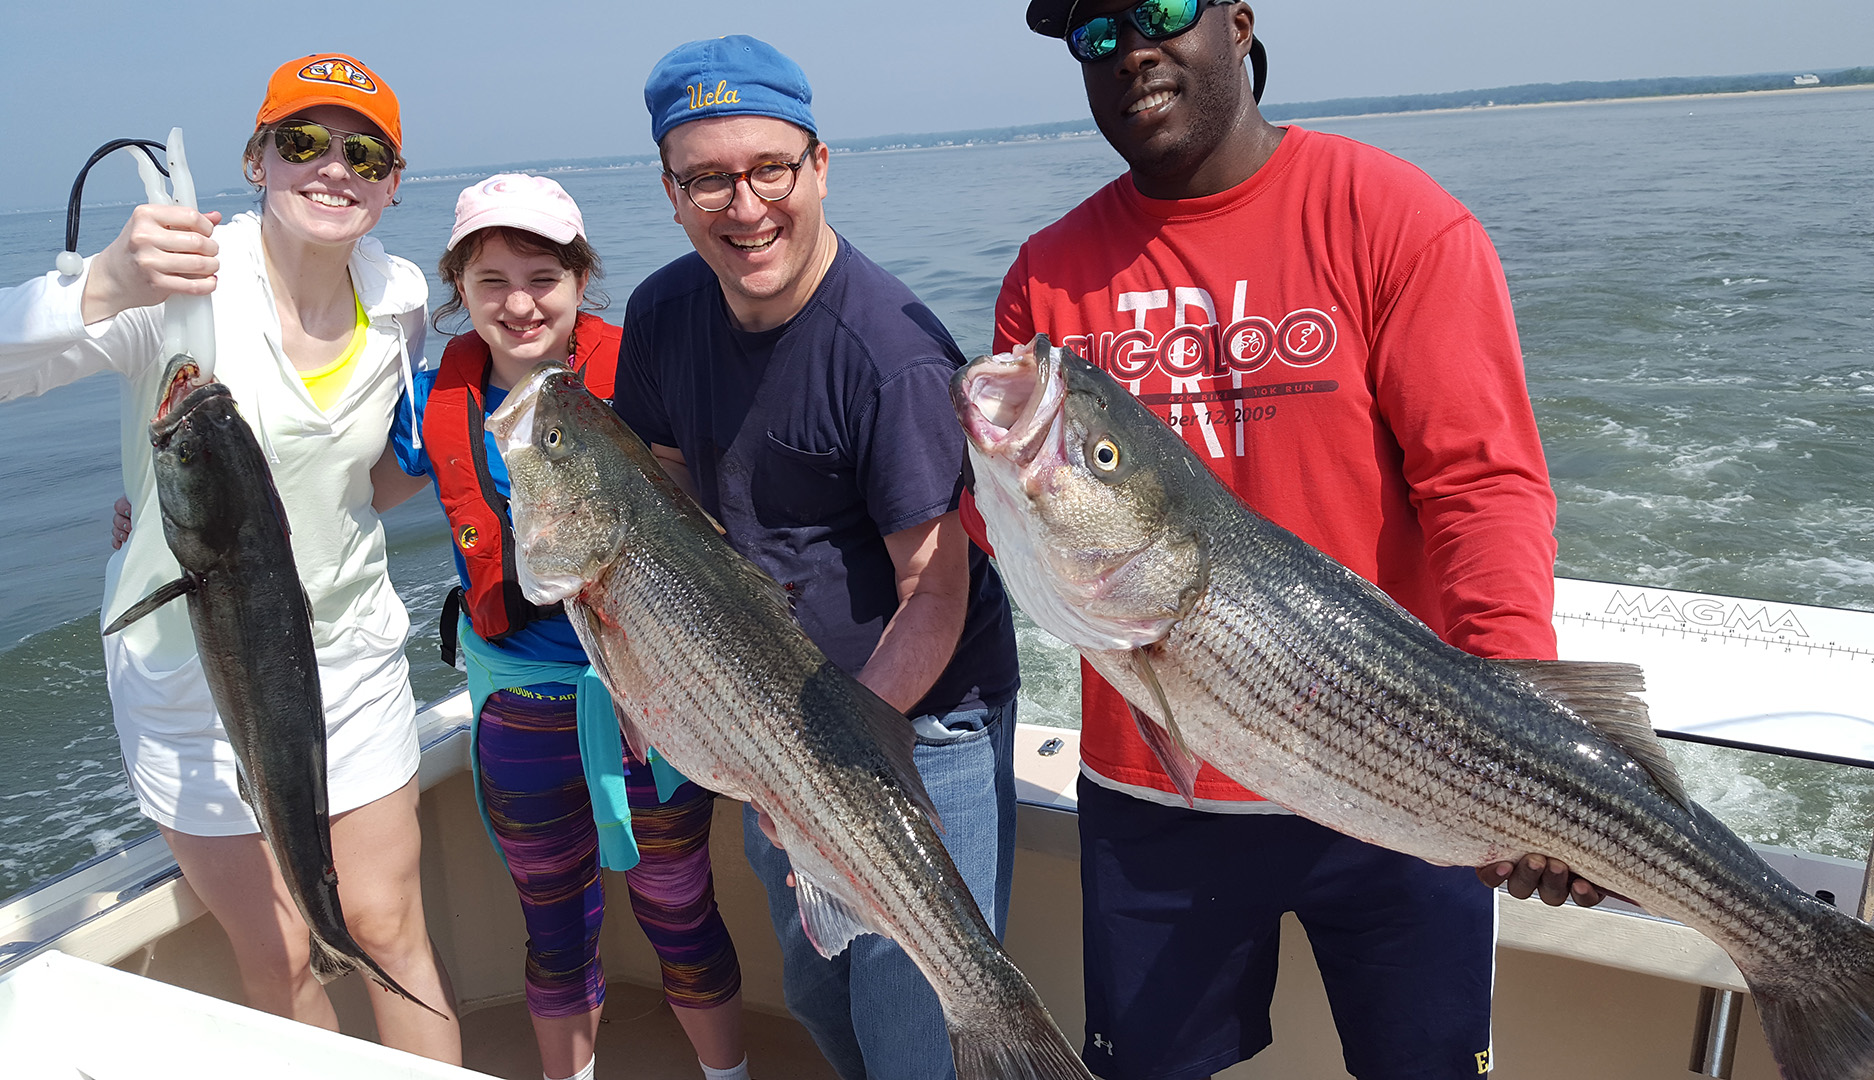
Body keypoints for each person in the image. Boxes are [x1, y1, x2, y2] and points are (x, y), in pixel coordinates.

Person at [991, 3, 1595, 1078]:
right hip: (1156, 791)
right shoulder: (1050, 274)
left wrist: (1523, 738)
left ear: (1237, 18)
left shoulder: (1393, 216)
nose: (1131, 48)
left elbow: (1482, 486)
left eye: (1161, 10)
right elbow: (1007, 529)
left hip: (1407, 766)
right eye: (1094, 34)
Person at [0, 54, 460, 1059]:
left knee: (386, 927)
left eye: (363, 151)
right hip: (190, 679)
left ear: (391, 181)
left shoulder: (399, 298)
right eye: (302, 141)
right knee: (283, 956)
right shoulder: (175, 279)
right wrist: (101, 286)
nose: (332, 168)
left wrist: (440, 457)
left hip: (344, 661)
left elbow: (367, 479)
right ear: (257, 158)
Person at [613, 35, 1023, 1080]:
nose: (744, 206)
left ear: (819, 166)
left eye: (768, 169)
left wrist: (829, 773)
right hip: (768, 716)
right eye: (707, 177)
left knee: (919, 1026)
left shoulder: (890, 356)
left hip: (911, 725)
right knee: (818, 995)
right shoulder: (661, 316)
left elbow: (937, 591)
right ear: (670, 192)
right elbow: (665, 508)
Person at [386, 173, 751, 1080]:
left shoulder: (648, 377)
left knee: (680, 906)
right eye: (491, 283)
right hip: (520, 707)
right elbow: (339, 497)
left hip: (656, 698)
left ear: (583, 279)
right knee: (552, 925)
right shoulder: (432, 404)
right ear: (457, 295)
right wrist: (147, 507)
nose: (519, 303)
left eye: (543, 276)